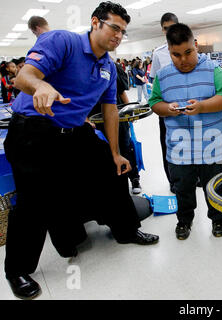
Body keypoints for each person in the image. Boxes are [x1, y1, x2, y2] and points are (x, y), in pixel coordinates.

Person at [3, 1, 159, 300]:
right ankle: (17, 270)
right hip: (33, 131)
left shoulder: (108, 67)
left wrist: (115, 152)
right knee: (34, 200)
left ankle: (126, 230)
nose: (118, 36)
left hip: (73, 132)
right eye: (114, 27)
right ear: (95, 22)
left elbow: (111, 110)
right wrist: (41, 88)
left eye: (123, 32)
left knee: (113, 171)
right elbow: (23, 78)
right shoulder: (62, 41)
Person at [149, 23, 222, 240]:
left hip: (211, 146)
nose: (183, 60)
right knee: (183, 189)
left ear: (195, 46)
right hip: (180, 149)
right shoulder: (163, 75)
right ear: (169, 52)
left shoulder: (213, 70)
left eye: (188, 52)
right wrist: (167, 109)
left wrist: (203, 106)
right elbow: (155, 103)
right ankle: (184, 220)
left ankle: (217, 219)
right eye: (176, 55)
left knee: (214, 187)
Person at [88, 58, 142, 194]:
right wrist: (86, 119)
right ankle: (113, 184)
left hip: (117, 115)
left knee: (125, 147)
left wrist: (130, 111)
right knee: (103, 151)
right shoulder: (84, 68)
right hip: (95, 118)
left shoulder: (113, 67)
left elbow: (122, 91)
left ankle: (134, 178)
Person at [149, 12, 179, 194]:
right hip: (167, 108)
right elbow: (154, 82)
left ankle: (194, 176)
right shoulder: (158, 54)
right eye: (166, 28)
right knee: (167, 144)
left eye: (172, 27)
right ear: (162, 30)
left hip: (188, 106)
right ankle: (172, 180)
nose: (169, 31)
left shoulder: (188, 48)